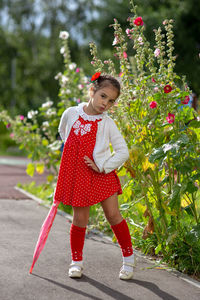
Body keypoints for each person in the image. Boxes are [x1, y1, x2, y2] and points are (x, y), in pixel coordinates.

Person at [54, 72, 135, 280]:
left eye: (111, 101)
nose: (105, 103)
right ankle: (76, 262)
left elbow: (122, 151)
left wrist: (103, 166)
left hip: (102, 175)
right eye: (103, 96)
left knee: (113, 215)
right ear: (92, 91)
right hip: (79, 175)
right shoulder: (71, 113)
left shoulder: (107, 123)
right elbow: (64, 133)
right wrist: (74, 157)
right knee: (80, 219)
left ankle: (128, 259)